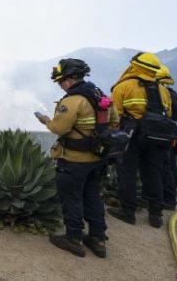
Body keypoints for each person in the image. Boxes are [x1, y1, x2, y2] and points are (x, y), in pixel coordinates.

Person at [36, 58, 118, 258]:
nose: (60, 85)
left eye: (61, 81)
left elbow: (59, 128)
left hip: (74, 161)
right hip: (97, 159)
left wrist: (46, 120)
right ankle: (98, 239)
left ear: (70, 79)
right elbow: (114, 121)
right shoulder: (100, 96)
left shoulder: (72, 101)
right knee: (92, 197)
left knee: (72, 198)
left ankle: (73, 239)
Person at [107, 52, 173, 228]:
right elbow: (169, 114)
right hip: (157, 137)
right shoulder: (163, 90)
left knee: (127, 172)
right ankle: (156, 215)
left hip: (132, 136)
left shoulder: (123, 86)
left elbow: (114, 116)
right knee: (153, 174)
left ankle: (127, 211)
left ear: (135, 66)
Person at [155, 65, 177, 210]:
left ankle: (167, 200)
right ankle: (170, 198)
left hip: (165, 137)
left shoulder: (163, 94)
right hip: (173, 136)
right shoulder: (172, 93)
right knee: (170, 167)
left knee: (165, 168)